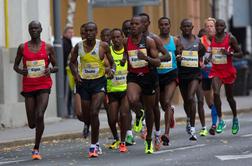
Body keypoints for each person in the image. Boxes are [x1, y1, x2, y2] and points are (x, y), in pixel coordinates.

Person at [70, 22, 115, 158]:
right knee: (87, 114)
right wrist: (76, 75)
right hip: (84, 83)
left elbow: (112, 62)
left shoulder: (103, 46)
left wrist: (112, 70)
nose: (89, 33)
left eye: (92, 31)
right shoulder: (78, 46)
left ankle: (93, 145)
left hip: (99, 83)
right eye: (87, 31)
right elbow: (72, 63)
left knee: (94, 111)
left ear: (96, 32)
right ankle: (95, 140)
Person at [13, 21, 58, 160]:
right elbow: (15, 66)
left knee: (39, 114)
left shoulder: (48, 47)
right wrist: (22, 71)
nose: (34, 30)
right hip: (29, 86)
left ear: (41, 30)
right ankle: (35, 130)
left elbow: (56, 66)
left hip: (44, 84)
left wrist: (49, 69)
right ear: (28, 30)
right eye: (31, 28)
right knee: (32, 123)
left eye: (36, 28)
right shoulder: (22, 47)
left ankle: (36, 148)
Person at [122, 15, 160, 154]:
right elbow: (126, 55)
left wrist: (146, 58)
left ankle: (149, 139)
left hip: (148, 77)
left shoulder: (149, 42)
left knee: (150, 110)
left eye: (136, 24)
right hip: (134, 76)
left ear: (142, 26)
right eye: (131, 24)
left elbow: (158, 62)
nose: (133, 26)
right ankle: (139, 113)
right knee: (131, 99)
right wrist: (123, 60)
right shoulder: (126, 41)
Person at [139, 13, 171, 151]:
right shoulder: (131, 39)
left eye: (143, 22)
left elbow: (167, 56)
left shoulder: (153, 38)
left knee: (154, 107)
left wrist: (153, 60)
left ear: (147, 23)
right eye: (137, 22)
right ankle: (143, 122)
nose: (140, 25)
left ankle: (157, 134)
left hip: (152, 76)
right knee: (138, 102)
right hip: (137, 76)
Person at [208, 19, 243, 135]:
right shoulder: (211, 38)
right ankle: (220, 120)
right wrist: (208, 58)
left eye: (221, 26)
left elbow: (240, 53)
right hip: (216, 71)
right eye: (217, 25)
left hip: (228, 71)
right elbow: (211, 52)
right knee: (216, 94)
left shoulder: (230, 38)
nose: (218, 28)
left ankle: (235, 118)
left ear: (225, 27)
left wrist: (230, 54)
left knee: (229, 97)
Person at [177, 19, 205, 141]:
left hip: (195, 74)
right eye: (184, 26)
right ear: (181, 28)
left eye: (189, 26)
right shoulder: (177, 40)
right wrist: (178, 56)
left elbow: (203, 53)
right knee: (186, 100)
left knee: (190, 97)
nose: (187, 28)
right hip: (182, 74)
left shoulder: (198, 41)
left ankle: (193, 128)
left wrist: (201, 49)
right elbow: (174, 54)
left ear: (192, 27)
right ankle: (189, 118)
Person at [158, 16, 180, 145]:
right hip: (158, 74)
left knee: (166, 101)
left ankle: (166, 133)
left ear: (170, 25)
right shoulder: (155, 40)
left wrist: (179, 56)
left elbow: (179, 52)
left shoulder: (175, 40)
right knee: (162, 105)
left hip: (171, 74)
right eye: (162, 25)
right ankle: (170, 112)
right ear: (159, 26)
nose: (164, 27)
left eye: (166, 24)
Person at [106, 28, 130, 153]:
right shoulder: (108, 51)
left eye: (118, 37)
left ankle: (123, 141)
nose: (116, 40)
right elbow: (104, 65)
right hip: (112, 89)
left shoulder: (127, 52)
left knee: (124, 114)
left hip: (125, 89)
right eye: (113, 38)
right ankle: (116, 138)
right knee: (112, 118)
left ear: (122, 37)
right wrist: (108, 71)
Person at [200, 18, 218, 135]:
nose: (210, 28)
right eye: (207, 26)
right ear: (205, 28)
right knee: (209, 101)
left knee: (215, 94)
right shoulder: (200, 41)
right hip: (205, 72)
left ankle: (214, 124)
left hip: (217, 72)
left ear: (215, 27)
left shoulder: (220, 40)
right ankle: (216, 112)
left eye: (212, 26)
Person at [62, 26, 74, 117]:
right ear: (65, 33)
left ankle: (70, 112)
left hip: (69, 72)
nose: (71, 34)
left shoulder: (69, 42)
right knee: (67, 93)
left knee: (70, 93)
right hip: (65, 73)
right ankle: (67, 113)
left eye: (72, 32)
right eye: (69, 32)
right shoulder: (64, 43)